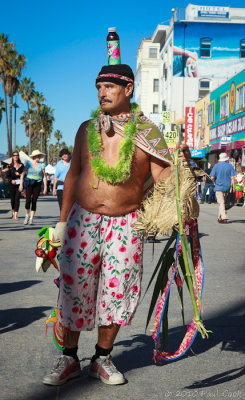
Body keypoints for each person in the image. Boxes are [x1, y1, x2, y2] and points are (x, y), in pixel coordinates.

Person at [42, 64, 190, 387]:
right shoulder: (86, 129)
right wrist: (62, 222)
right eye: (98, 87)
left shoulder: (147, 133)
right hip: (83, 219)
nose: (102, 93)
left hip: (126, 223)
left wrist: (181, 184)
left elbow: (164, 177)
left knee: (119, 289)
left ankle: (101, 358)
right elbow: (73, 176)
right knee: (74, 288)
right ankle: (69, 357)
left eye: (109, 86)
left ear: (128, 89)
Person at [19, 149, 47, 225]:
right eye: (36, 155)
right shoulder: (28, 164)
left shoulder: (42, 165)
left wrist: (45, 187)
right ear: (34, 156)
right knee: (28, 200)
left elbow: (44, 177)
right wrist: (21, 184)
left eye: (39, 155)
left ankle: (31, 219)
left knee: (34, 201)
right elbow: (22, 175)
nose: (38, 157)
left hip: (37, 184)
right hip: (29, 183)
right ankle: (27, 215)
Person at [210, 152, 236, 223]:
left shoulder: (216, 166)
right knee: (223, 202)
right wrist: (234, 187)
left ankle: (224, 216)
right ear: (226, 159)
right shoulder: (230, 166)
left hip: (218, 187)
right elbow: (233, 178)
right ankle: (220, 218)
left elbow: (212, 177)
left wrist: (213, 182)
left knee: (221, 203)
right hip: (227, 187)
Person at [3, 151, 24, 220]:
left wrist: (19, 174)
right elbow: (7, 176)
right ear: (12, 156)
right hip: (11, 184)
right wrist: (11, 180)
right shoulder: (9, 166)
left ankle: (16, 215)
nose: (16, 156)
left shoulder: (22, 165)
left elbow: (24, 175)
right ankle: (13, 212)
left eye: (17, 155)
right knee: (12, 199)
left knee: (17, 198)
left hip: (19, 184)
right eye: (14, 155)